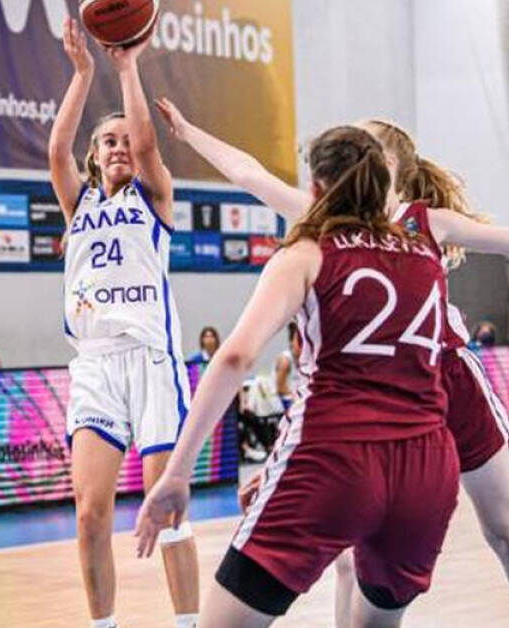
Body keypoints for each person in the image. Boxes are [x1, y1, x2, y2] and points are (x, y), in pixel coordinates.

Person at [152, 101, 509, 628]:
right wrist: (190, 132)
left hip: (443, 379)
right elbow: (249, 174)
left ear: (391, 165)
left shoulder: (418, 224)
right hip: (386, 412)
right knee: (349, 554)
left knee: (506, 532)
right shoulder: (327, 222)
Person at [137, 127, 464, 626]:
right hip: (426, 467)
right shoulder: (425, 254)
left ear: (315, 187)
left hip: (335, 461)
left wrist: (178, 472)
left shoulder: (309, 252)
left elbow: (234, 358)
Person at [47, 18, 198, 628]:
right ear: (95, 155)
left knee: (167, 511)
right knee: (90, 515)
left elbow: (150, 146)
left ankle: (188, 623)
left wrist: (127, 67)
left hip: (151, 359)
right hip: (95, 365)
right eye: (107, 141)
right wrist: (84, 73)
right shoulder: (78, 202)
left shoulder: (154, 196)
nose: (118, 147)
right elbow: (56, 151)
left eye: (124, 140)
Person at [273, 322, 302, 413]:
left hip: (296, 400)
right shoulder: (285, 360)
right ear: (292, 342)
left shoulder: (304, 360)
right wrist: (297, 399)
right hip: (282, 403)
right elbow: (280, 388)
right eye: (300, 342)